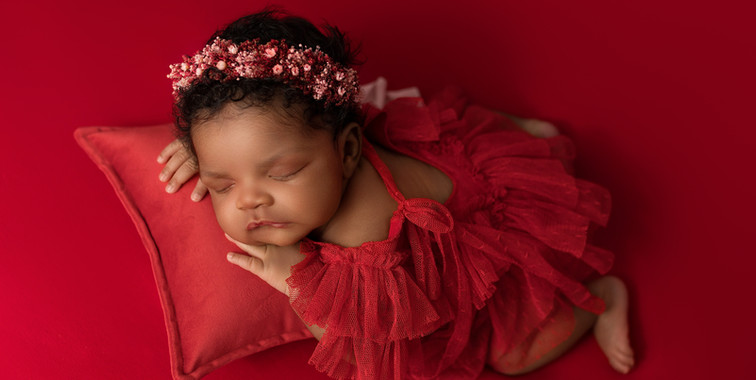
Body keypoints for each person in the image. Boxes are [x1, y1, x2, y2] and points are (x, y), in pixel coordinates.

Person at [157, 9, 634, 379]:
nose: (248, 200)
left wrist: (294, 284)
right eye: (222, 183)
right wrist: (202, 148)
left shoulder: (361, 236)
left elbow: (367, 340)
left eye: (282, 173)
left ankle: (601, 300)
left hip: (495, 253)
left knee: (513, 356)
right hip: (456, 163)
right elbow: (252, 137)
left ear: (348, 152)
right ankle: (527, 133)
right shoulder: (320, 146)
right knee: (420, 114)